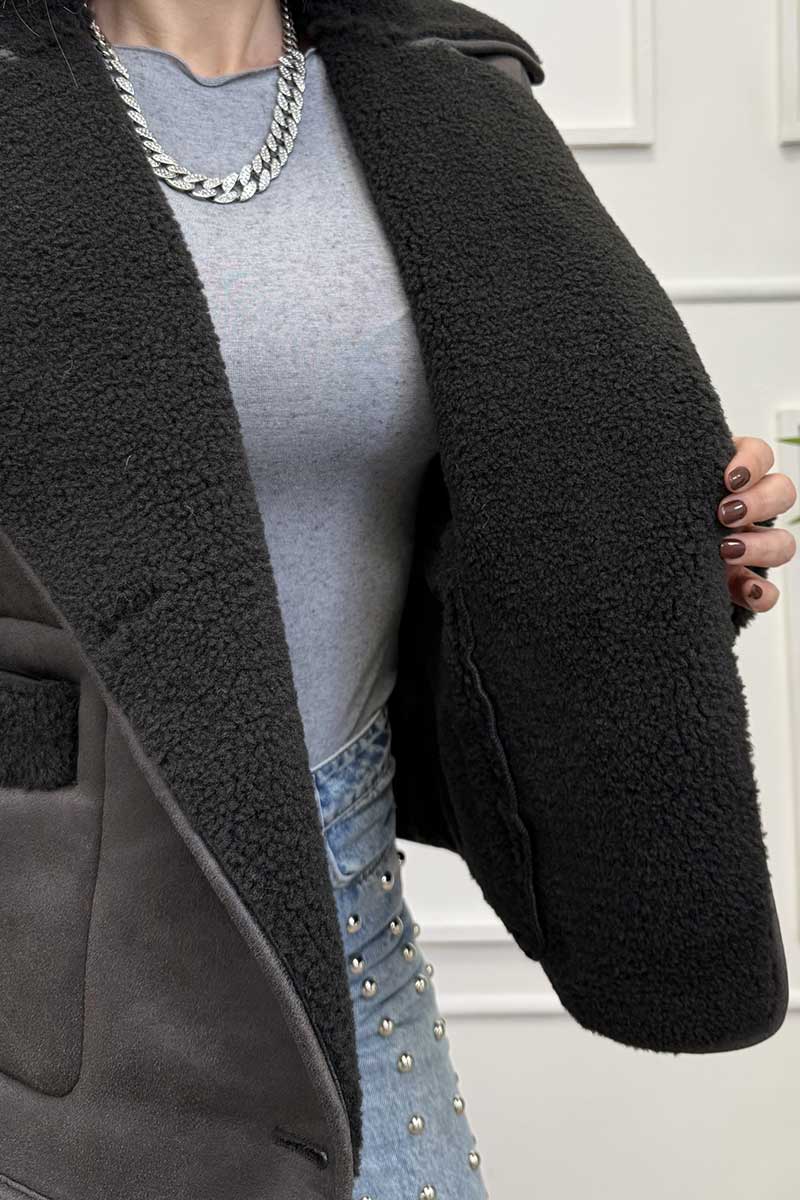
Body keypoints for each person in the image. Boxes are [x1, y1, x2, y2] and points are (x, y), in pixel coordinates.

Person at [0, 2, 796, 1198]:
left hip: (349, 929)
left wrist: (663, 549)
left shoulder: (436, 82)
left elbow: (526, 474)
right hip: (53, 958)